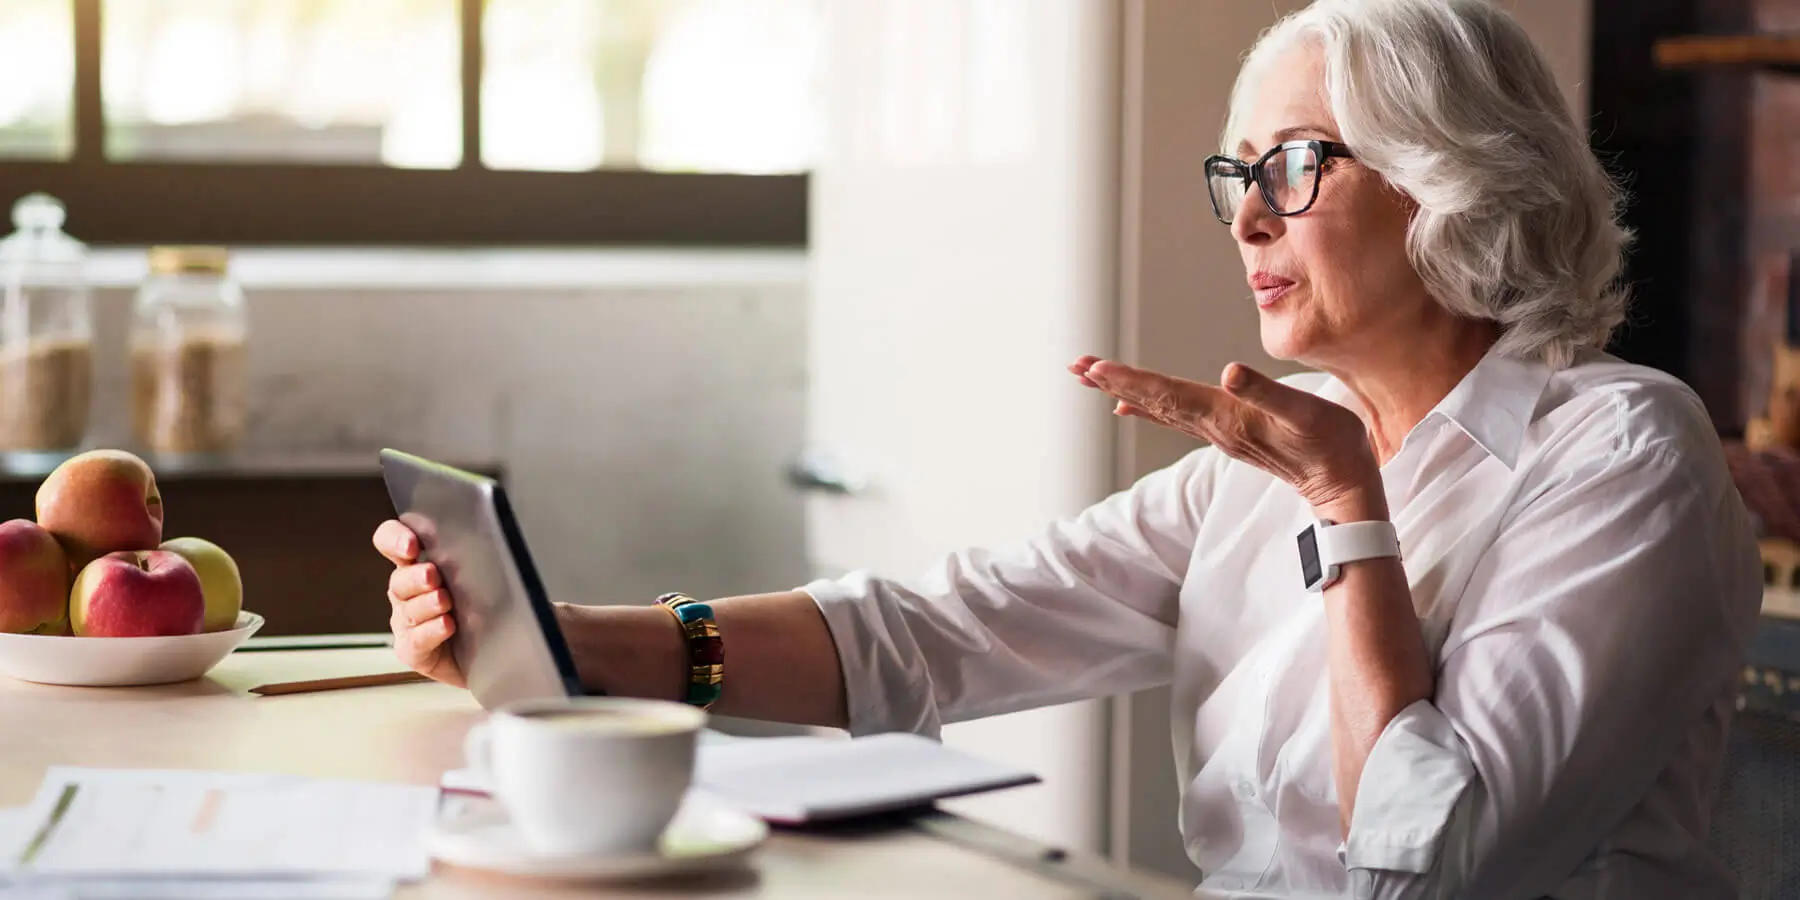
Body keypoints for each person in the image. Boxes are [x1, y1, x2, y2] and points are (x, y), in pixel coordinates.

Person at [375, 0, 1763, 896]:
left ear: (1451, 176)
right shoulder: (1254, 471)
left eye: (1294, 164)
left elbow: (1428, 858)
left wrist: (1351, 511)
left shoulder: (1621, 453)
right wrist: (561, 645)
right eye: (1235, 174)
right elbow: (937, 633)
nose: (1249, 219)